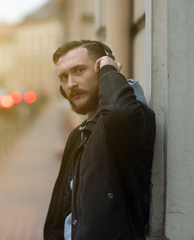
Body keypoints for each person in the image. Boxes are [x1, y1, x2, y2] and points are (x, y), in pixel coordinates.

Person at [44, 40, 156, 240]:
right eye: (64, 77)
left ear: (102, 72)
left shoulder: (132, 119)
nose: (70, 84)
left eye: (79, 70)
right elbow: (62, 210)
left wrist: (109, 71)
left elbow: (118, 112)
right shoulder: (78, 134)